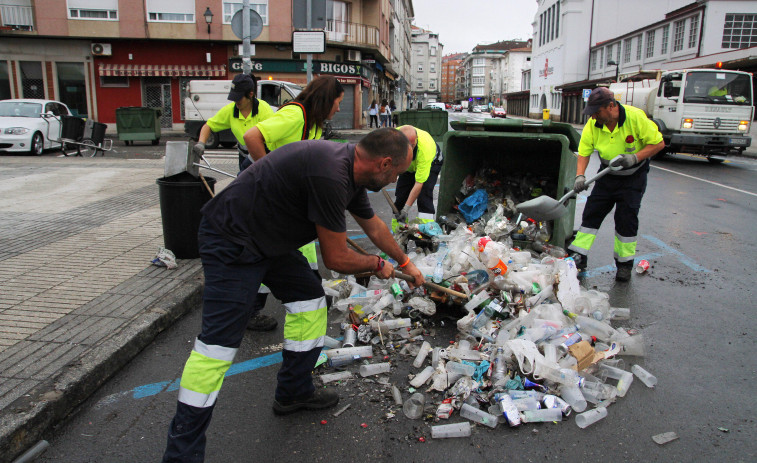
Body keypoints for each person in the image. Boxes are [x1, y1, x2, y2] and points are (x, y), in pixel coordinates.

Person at [162, 129, 424, 462]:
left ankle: (293, 391)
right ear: (384, 164)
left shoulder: (353, 172)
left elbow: (373, 226)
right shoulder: (330, 175)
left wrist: (405, 263)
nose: (394, 180)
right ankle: (180, 454)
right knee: (217, 347)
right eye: (397, 174)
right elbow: (336, 258)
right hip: (232, 237)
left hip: (269, 240)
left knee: (309, 301)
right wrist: (376, 264)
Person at [240, 75, 344, 331]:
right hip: (264, 188)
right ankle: (254, 310)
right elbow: (252, 137)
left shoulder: (315, 124)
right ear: (326, 100)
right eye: (338, 102)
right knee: (271, 251)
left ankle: (311, 291)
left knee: (288, 250)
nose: (339, 108)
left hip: (286, 195)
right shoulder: (296, 116)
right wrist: (272, 177)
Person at [568, 87, 664, 281]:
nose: (593, 117)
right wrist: (580, 176)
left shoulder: (635, 118)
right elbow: (584, 152)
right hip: (607, 174)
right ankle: (579, 256)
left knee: (626, 220)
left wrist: (635, 157)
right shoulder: (593, 125)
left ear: (610, 106)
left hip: (633, 176)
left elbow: (658, 144)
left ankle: (624, 265)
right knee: (591, 214)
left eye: (597, 112)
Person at [192, 73, 274, 174]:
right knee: (244, 184)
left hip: (262, 154)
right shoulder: (230, 110)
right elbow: (208, 125)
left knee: (248, 181)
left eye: (239, 98)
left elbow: (273, 137)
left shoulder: (264, 110)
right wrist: (201, 143)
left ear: (250, 94)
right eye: (234, 97)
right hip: (243, 156)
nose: (236, 101)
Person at [391, 125, 444, 232]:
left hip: (432, 163)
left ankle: (426, 235)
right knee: (400, 198)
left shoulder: (425, 149)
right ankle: (398, 235)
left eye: (413, 145)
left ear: (416, 140)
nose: (410, 149)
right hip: (409, 166)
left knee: (424, 197)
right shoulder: (391, 137)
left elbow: (419, 183)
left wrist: (406, 209)